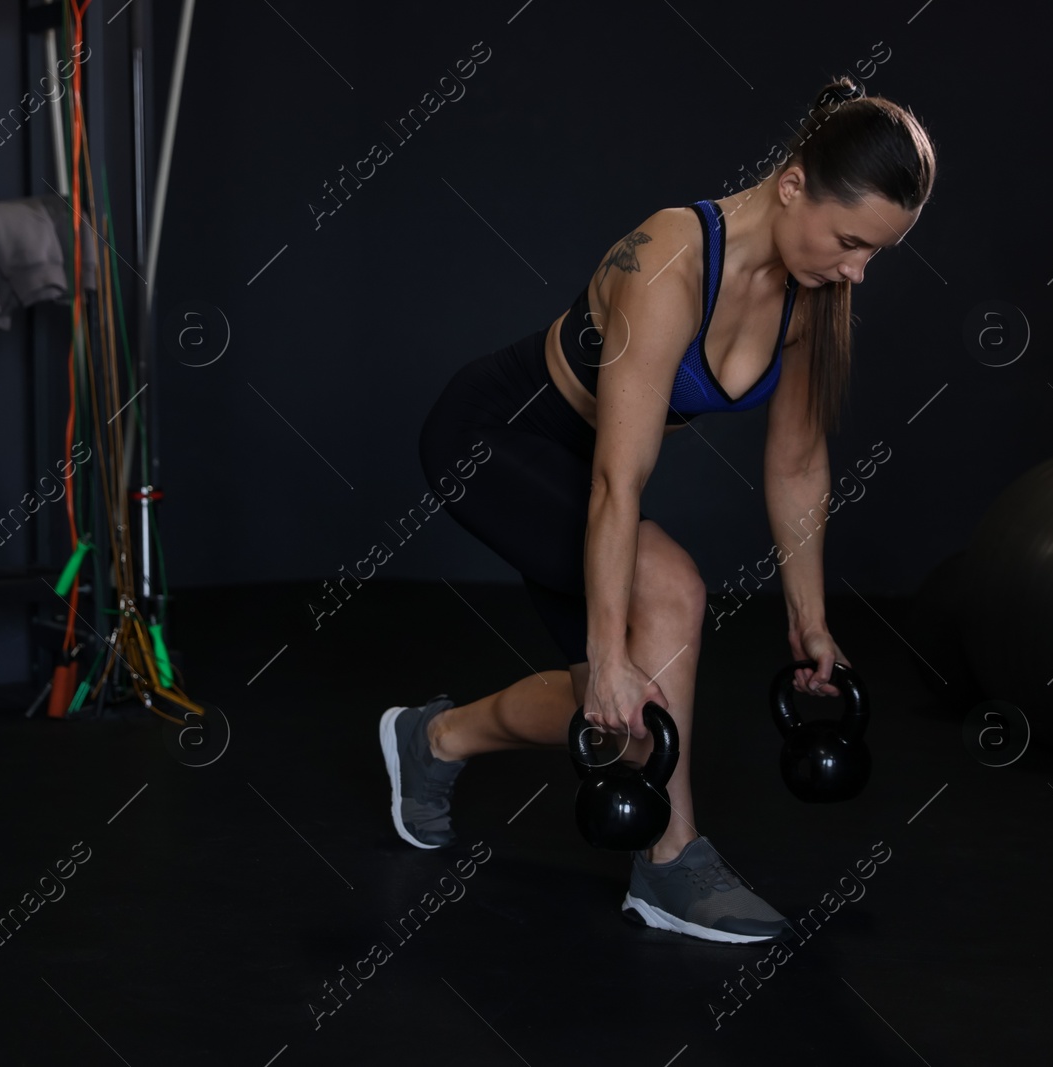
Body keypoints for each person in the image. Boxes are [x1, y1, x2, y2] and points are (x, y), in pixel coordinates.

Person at [380, 75, 937, 943]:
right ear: (794, 184)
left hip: (585, 468)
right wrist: (608, 651)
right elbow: (616, 484)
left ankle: (434, 739)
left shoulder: (812, 291)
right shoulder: (673, 259)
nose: (858, 269)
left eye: (876, 253)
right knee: (667, 598)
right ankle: (672, 862)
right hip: (495, 440)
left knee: (634, 733)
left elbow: (796, 462)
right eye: (850, 240)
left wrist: (810, 622)